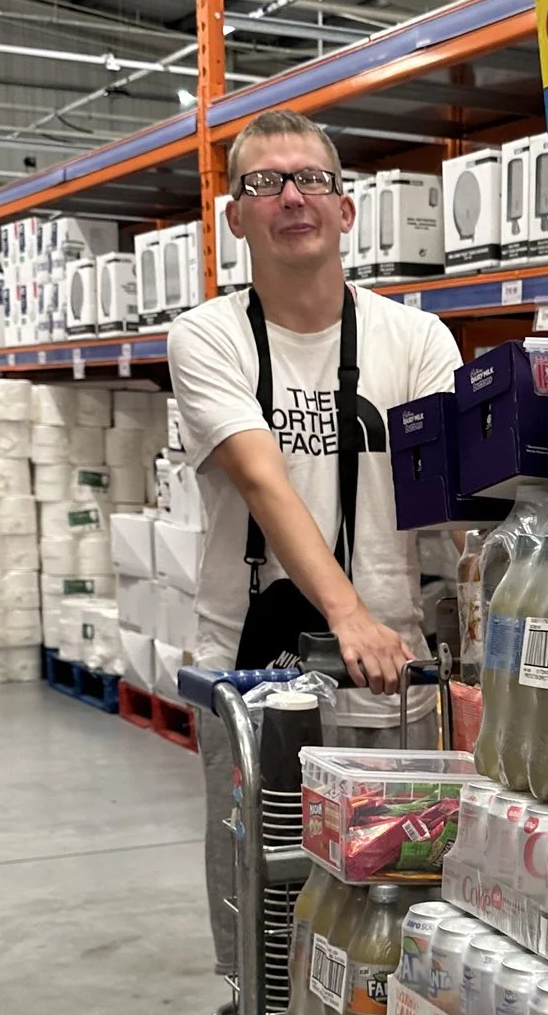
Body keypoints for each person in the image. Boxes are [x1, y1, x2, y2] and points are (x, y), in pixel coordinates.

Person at [167, 108, 462, 690]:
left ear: (345, 210)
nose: (292, 197)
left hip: (391, 662)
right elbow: (260, 479)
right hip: (250, 669)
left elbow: (455, 502)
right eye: (264, 183)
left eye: (312, 179)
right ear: (234, 218)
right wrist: (346, 614)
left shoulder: (417, 338)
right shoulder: (206, 336)